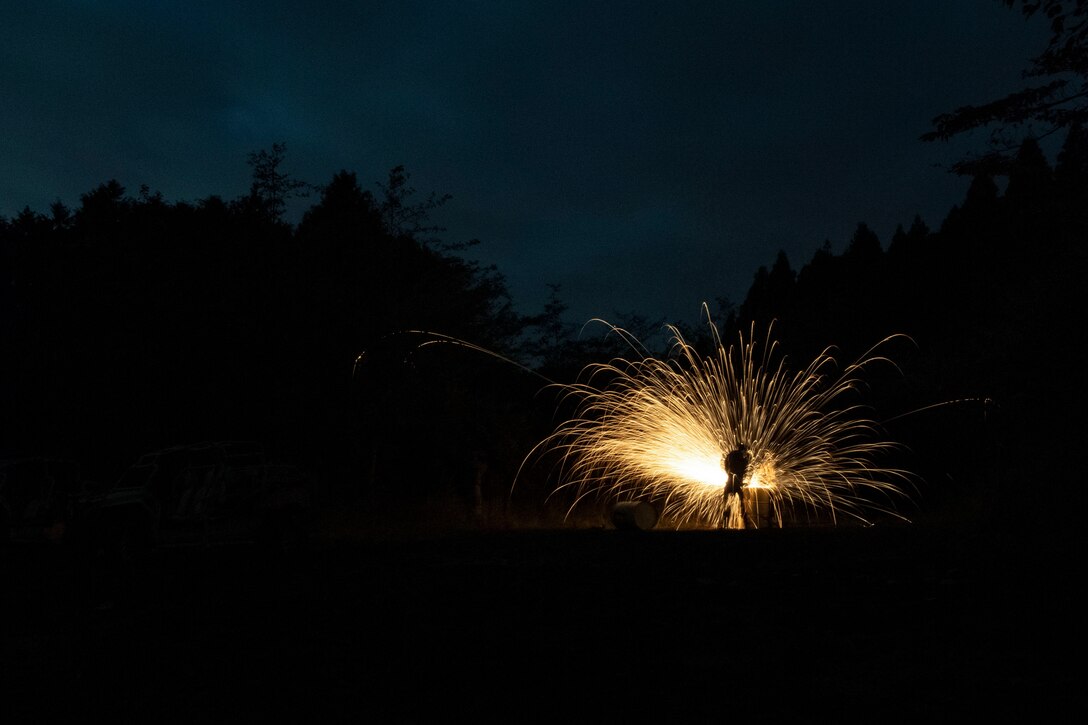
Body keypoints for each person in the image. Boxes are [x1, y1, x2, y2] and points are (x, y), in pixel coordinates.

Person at [722, 444, 751, 529]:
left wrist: (728, 473)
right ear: (743, 450)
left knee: (727, 503)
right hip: (736, 484)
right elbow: (744, 470)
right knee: (742, 502)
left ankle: (724, 524)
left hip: (729, 483)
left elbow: (725, 465)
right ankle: (746, 523)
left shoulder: (730, 455)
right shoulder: (742, 458)